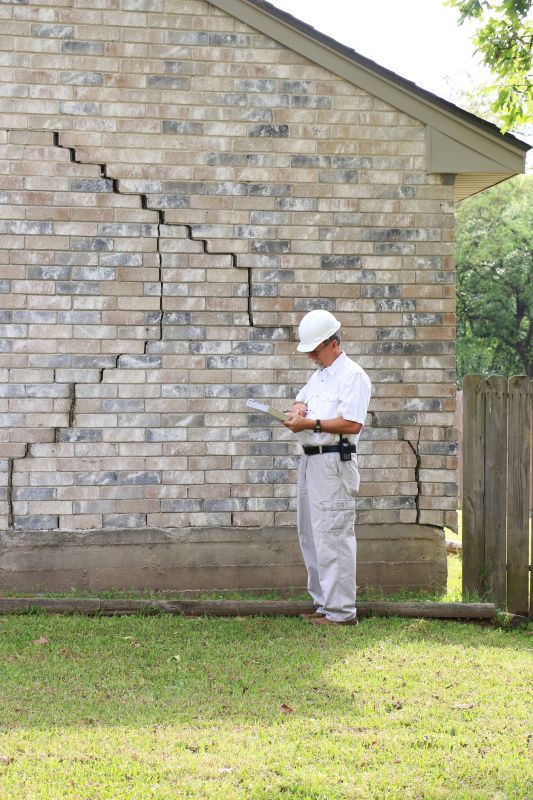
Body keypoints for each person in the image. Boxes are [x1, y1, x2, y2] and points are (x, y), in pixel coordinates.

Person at [283, 310, 372, 626]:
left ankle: (341, 612)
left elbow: (352, 422)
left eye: (315, 350)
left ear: (333, 344)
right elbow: (301, 399)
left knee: (333, 534)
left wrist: (311, 422)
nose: (310, 356)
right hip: (311, 460)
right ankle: (324, 605)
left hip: (335, 461)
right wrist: (298, 409)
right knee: (311, 534)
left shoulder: (353, 376)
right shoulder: (320, 375)